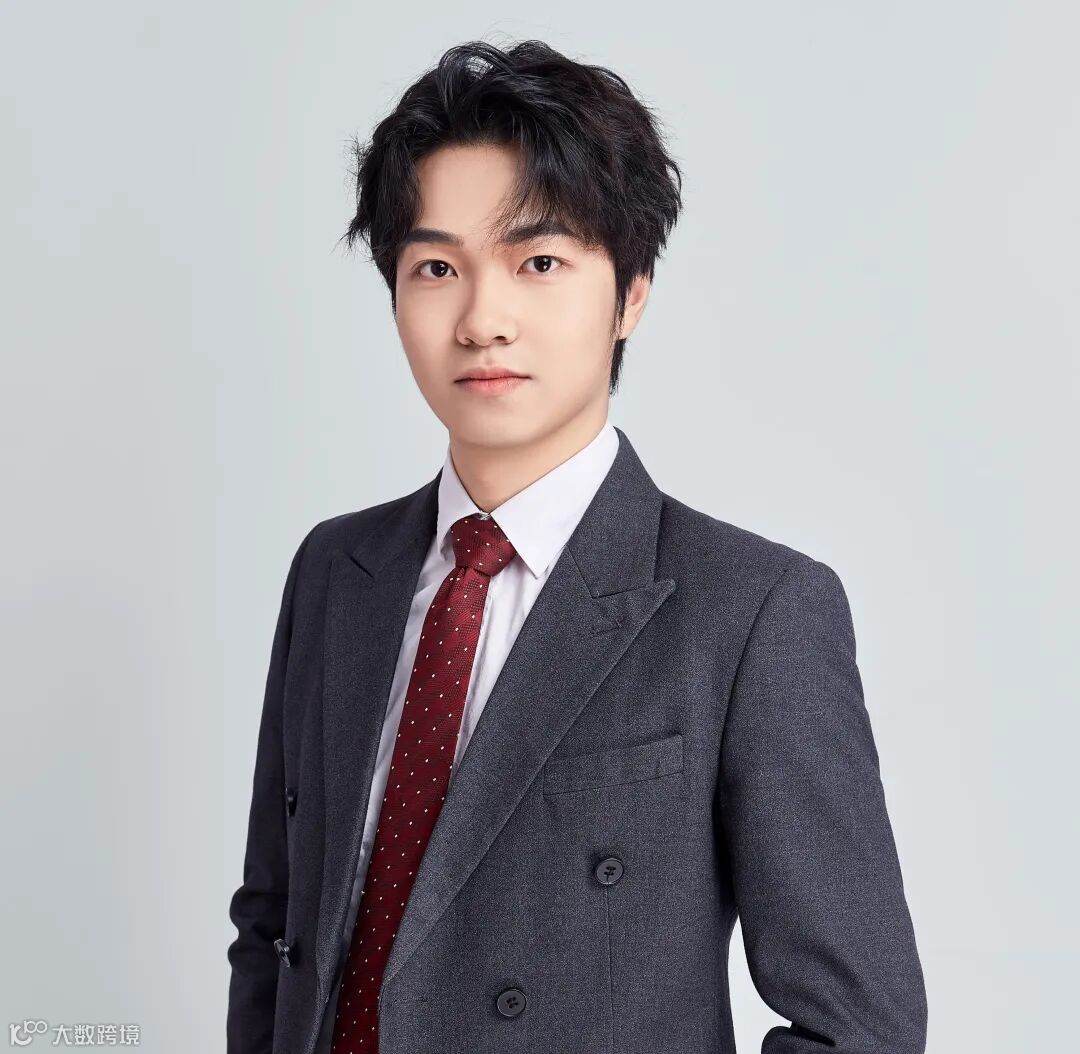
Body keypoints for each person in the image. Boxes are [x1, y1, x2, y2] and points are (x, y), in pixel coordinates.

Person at [226, 38, 928, 1054]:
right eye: (437, 268)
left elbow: (859, 1027)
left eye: (540, 262)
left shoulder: (751, 611)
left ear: (631, 292)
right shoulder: (338, 573)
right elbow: (274, 930)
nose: (483, 319)